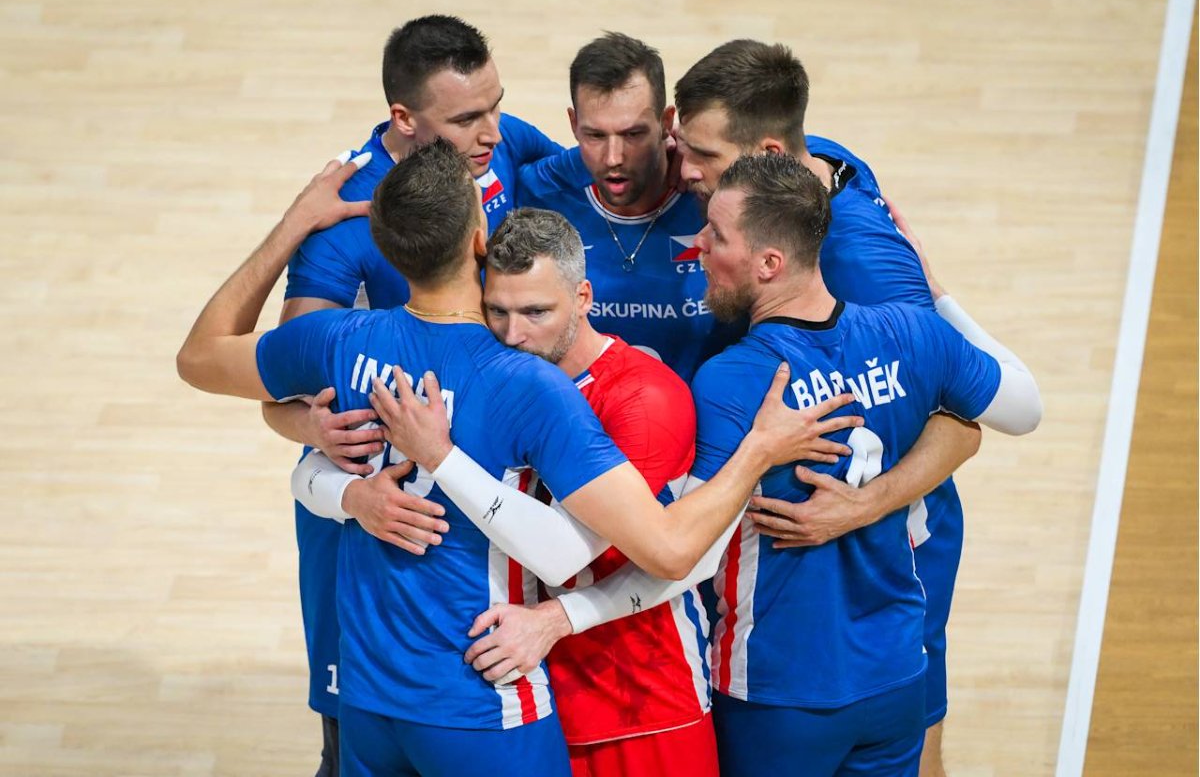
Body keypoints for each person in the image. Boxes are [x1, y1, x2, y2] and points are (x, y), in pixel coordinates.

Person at [176, 140, 852, 775]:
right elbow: (663, 551)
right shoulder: (525, 383)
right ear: (480, 239)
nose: (518, 330)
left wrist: (294, 229)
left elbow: (199, 358)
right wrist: (760, 448)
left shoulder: (337, 339)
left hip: (372, 695)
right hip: (480, 699)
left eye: (534, 312)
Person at [259, 14, 564, 774]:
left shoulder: (503, 144)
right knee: (359, 735)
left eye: (496, 105)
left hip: (486, 488)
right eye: (466, 119)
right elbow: (287, 384)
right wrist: (313, 433)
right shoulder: (346, 218)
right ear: (405, 118)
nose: (492, 132)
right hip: (379, 512)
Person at [672, 39, 979, 775]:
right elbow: (974, 413)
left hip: (794, 667)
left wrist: (860, 503)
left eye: (704, 157)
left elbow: (678, 550)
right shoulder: (823, 178)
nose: (696, 241)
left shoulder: (751, 368)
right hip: (886, 656)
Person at [689, 153, 1040, 776]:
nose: (698, 246)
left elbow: (684, 550)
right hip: (896, 674)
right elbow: (1018, 411)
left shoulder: (733, 381)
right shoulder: (913, 332)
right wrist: (940, 296)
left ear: (770, 263)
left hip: (778, 688)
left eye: (716, 235)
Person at [517, 32, 741, 381]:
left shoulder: (719, 193)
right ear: (573, 124)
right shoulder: (539, 194)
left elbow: (792, 153)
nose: (613, 158)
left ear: (666, 123)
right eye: (595, 135)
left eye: (633, 134)